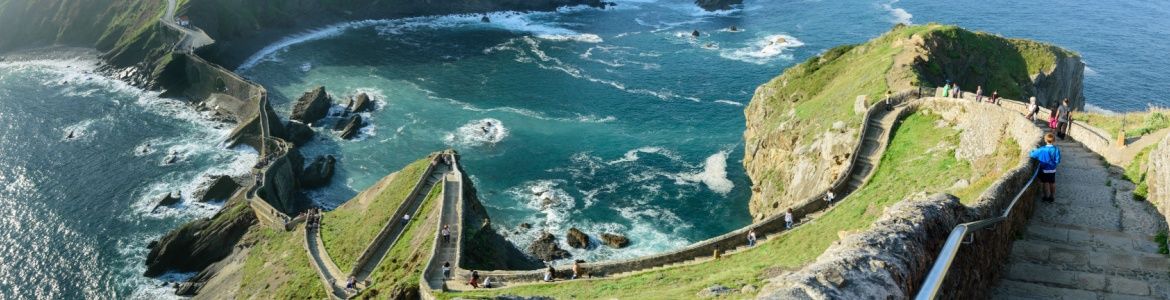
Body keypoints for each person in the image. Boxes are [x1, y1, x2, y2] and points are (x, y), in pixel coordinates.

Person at [1030, 133, 1061, 202]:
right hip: (1052, 169)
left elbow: (1032, 155)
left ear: (1045, 140)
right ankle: (1052, 197)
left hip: (1044, 169)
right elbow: (1058, 160)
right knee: (1052, 183)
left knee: (1045, 183)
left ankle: (1045, 196)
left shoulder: (1042, 149)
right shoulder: (1056, 149)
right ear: (1054, 140)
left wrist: (1032, 151)